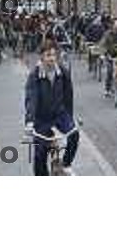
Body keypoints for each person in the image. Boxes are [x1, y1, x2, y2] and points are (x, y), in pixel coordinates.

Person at [24, 42, 79, 176]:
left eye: (54, 55)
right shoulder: (35, 75)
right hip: (41, 118)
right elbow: (32, 98)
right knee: (39, 154)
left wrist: (70, 117)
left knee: (74, 134)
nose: (52, 58)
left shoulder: (62, 72)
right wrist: (30, 121)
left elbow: (68, 95)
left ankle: (66, 163)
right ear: (42, 57)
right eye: (48, 55)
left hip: (60, 114)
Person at [100, 19, 117, 96]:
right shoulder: (107, 34)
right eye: (116, 25)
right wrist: (104, 54)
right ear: (112, 25)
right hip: (109, 55)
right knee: (109, 71)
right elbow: (103, 44)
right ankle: (107, 89)